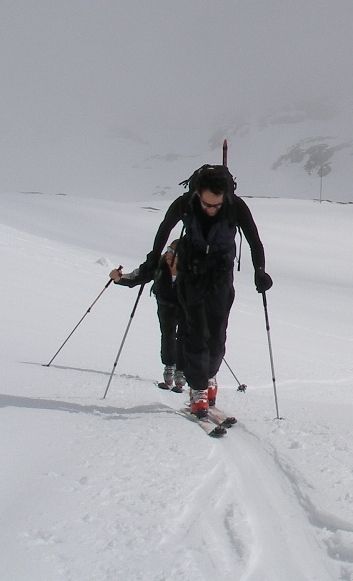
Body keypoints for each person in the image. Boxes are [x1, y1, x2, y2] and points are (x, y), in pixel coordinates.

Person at [115, 164, 269, 417]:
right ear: (197, 193)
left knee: (217, 335)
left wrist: (260, 272)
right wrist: (152, 261)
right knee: (196, 333)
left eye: (216, 205)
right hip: (191, 274)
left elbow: (254, 240)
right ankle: (198, 390)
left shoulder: (235, 206)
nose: (211, 210)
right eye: (207, 204)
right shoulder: (184, 203)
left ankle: (210, 377)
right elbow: (163, 231)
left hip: (220, 276)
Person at [109, 239, 184, 391]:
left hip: (185, 306)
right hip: (165, 304)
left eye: (173, 252)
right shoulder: (159, 265)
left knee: (184, 336)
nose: (169, 254)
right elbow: (138, 276)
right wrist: (118, 278)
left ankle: (181, 369)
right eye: (169, 249)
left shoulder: (190, 269)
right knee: (168, 334)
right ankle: (170, 365)